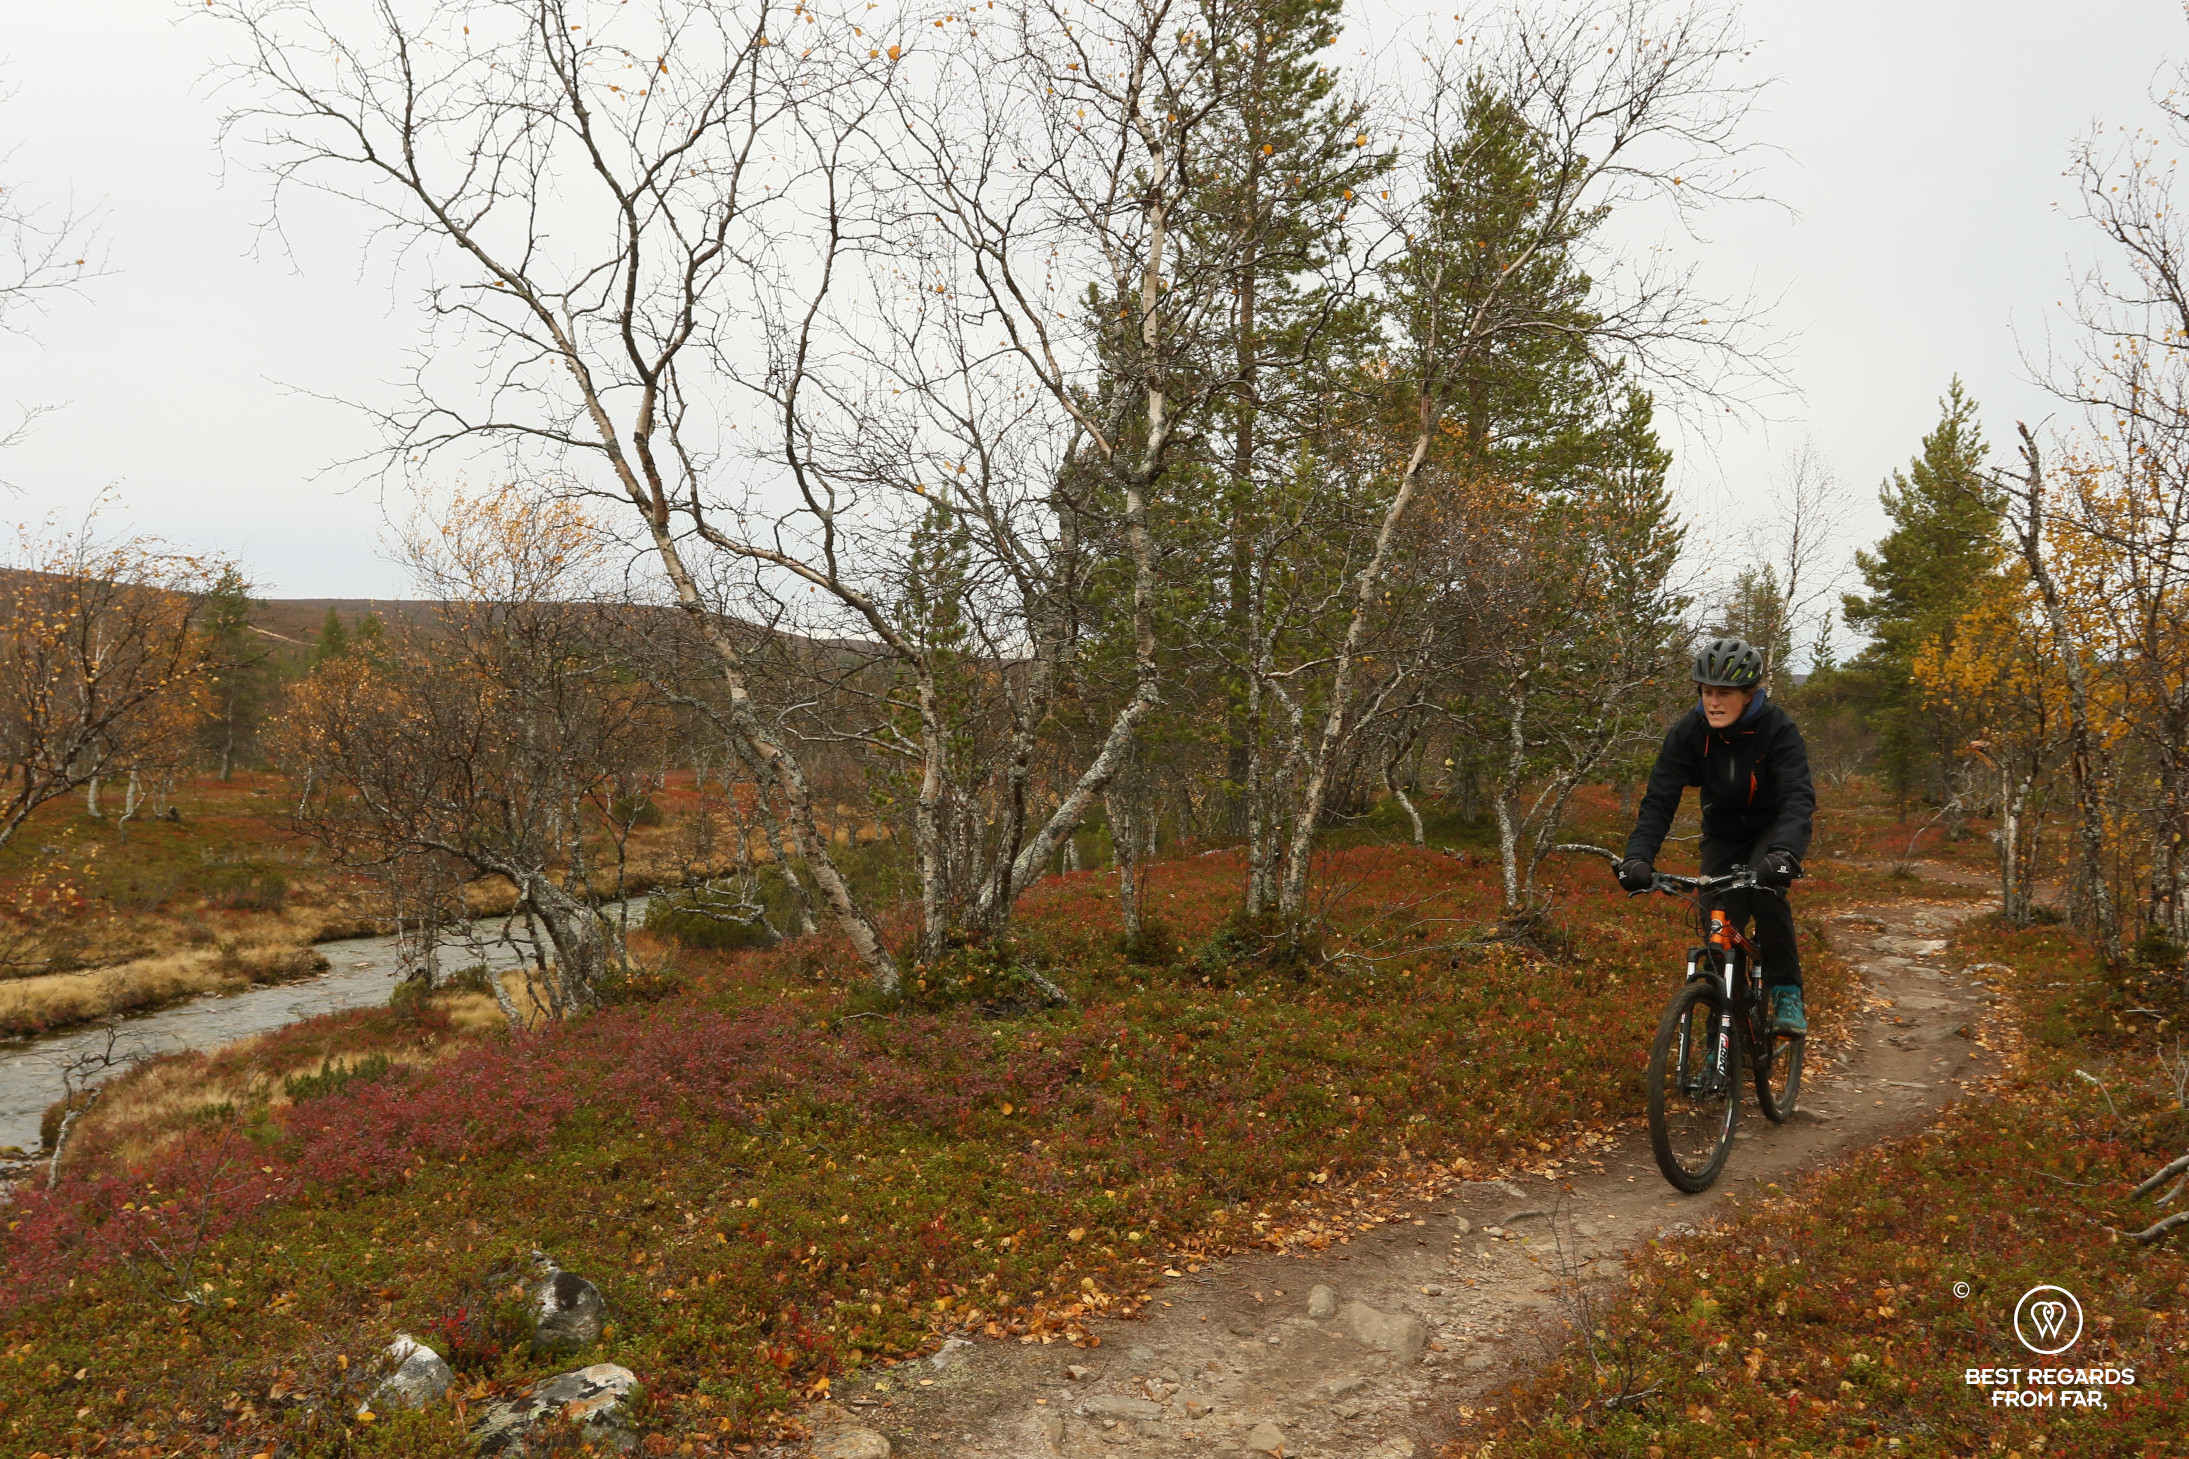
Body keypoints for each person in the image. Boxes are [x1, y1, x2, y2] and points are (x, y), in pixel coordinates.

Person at [1615, 636, 1817, 1033]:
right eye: (1707, 692)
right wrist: (1637, 857)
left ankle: (1786, 990)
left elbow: (1798, 796)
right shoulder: (1690, 732)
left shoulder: (1777, 728)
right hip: (1723, 833)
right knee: (1718, 929)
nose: (1714, 702)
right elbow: (1659, 800)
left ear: (1749, 694)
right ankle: (1719, 1045)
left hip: (1772, 828)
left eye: (1724, 693)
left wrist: (1785, 853)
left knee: (1766, 893)